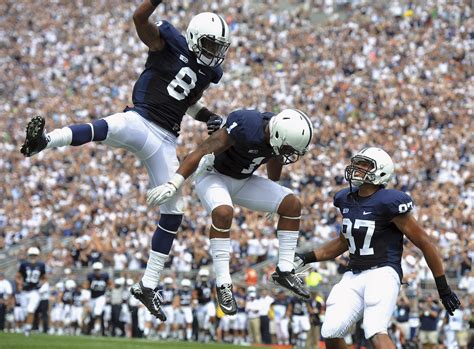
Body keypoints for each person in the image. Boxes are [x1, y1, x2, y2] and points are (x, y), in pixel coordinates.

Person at [19, 0, 231, 321]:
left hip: (166, 138)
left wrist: (208, 116)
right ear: (193, 36)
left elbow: (186, 99)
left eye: (219, 46)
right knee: (102, 127)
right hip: (142, 119)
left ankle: (148, 285)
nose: (215, 52)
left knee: (174, 212)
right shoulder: (168, 40)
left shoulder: (209, 71)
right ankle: (44, 141)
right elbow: (139, 17)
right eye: (210, 44)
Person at [146, 108, 314, 313]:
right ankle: (223, 283)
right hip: (213, 175)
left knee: (291, 205)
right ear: (278, 134)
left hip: (244, 180)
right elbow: (201, 151)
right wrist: (174, 183)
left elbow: (275, 157)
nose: (290, 155)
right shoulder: (247, 126)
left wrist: (274, 189)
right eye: (288, 149)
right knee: (224, 212)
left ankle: (285, 270)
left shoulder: (277, 133)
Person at [294, 147, 461, 349]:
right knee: (330, 331)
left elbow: (425, 243)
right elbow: (342, 243)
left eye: (365, 165)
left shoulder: (389, 202)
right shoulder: (346, 199)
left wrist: (443, 288)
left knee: (374, 329)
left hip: (383, 271)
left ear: (380, 170)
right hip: (353, 274)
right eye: (358, 163)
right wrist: (305, 257)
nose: (357, 168)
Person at [16, 246, 46, 336]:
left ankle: (27, 329)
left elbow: (44, 278)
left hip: (34, 291)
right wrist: (20, 284)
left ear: (37, 255)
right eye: (32, 255)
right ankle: (26, 326)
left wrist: (41, 285)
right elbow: (18, 276)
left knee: (30, 310)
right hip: (25, 291)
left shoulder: (41, 265)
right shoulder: (24, 264)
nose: (33, 256)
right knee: (25, 311)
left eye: (35, 255)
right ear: (29, 255)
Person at [87, 262, 111, 335]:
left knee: (98, 313)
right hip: (92, 297)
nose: (97, 271)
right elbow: (86, 285)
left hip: (101, 297)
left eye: (98, 270)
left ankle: (97, 329)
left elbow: (110, 284)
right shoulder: (90, 276)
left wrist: (108, 293)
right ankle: (92, 328)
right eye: (95, 270)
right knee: (92, 314)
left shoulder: (105, 276)